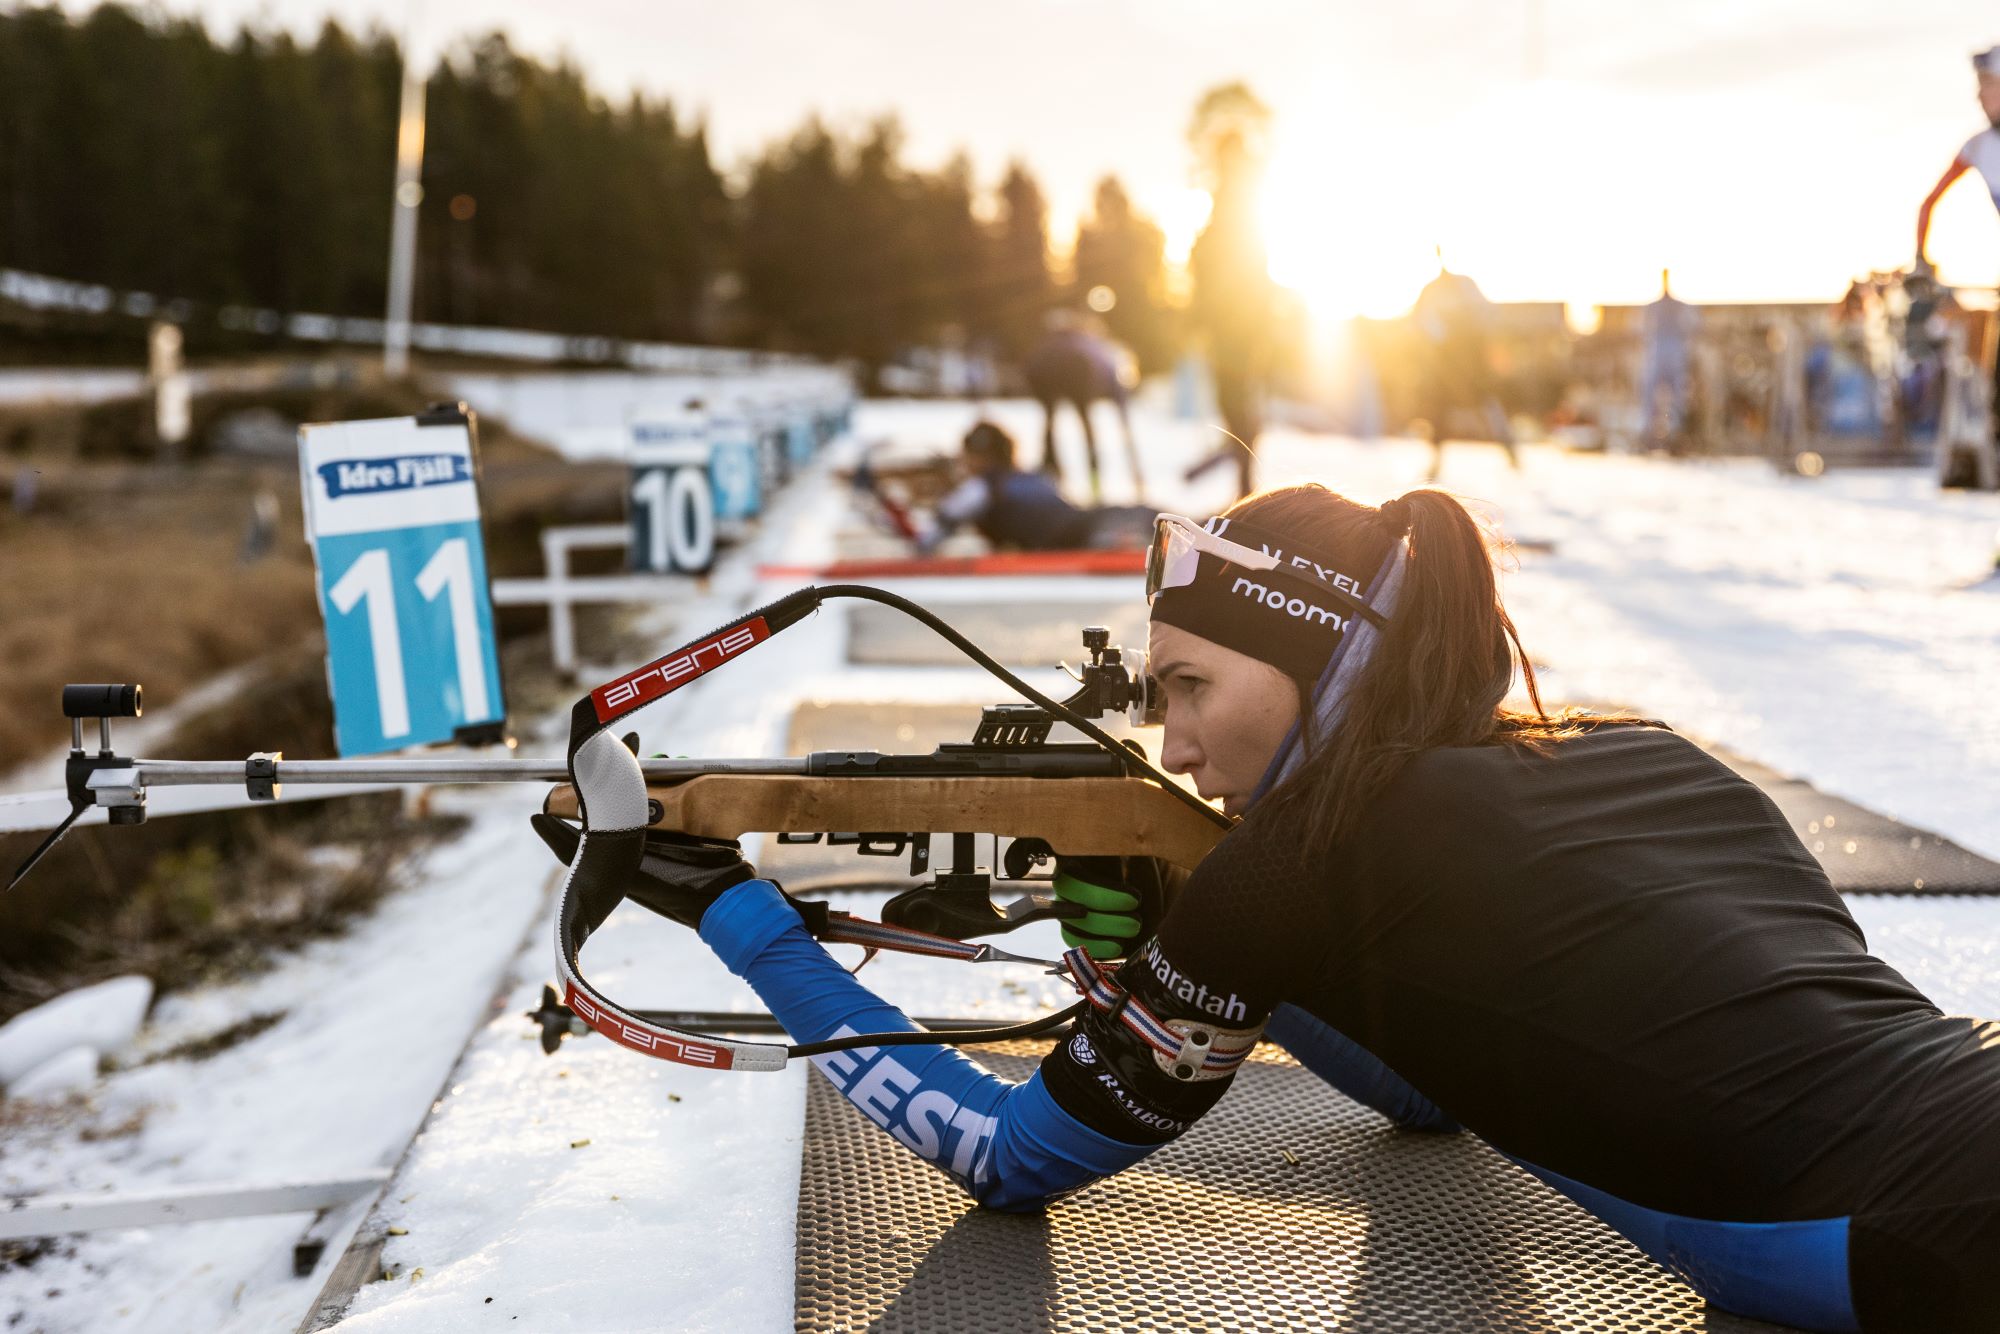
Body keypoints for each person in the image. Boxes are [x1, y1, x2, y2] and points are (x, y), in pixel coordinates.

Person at [562, 485, 2000, 1331]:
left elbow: (1005, 1157)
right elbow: (1438, 1080)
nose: (1173, 743)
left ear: (1330, 660)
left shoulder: (1313, 858)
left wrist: (741, 919)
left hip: (1935, 1225)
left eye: (1191, 685)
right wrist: (1157, 932)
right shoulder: (1643, 749)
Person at [1916, 45, 2000, 456]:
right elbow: (1928, 203)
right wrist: (1920, 258)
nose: (1979, 96)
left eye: (1987, 85)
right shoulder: (1978, 147)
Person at [915, 421, 1154, 554]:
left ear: (982, 456)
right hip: (1080, 527)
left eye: (968, 455)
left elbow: (938, 527)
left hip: (1070, 537)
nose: (963, 461)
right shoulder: (1029, 476)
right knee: (1141, 516)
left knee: (1133, 520)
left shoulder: (982, 487)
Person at [1410, 258, 1519, 481]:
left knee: (1487, 404)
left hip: (1470, 358)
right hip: (1446, 362)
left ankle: (1510, 452)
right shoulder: (1431, 290)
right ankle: (1436, 462)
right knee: (1439, 411)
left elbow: (1487, 313)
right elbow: (1420, 321)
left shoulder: (1465, 285)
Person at [1021, 313, 1142, 503]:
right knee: (1084, 425)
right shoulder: (1106, 358)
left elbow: (1031, 368)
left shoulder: (1058, 345)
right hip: (1071, 367)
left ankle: (1053, 480)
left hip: (1040, 367)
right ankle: (1093, 486)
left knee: (1050, 423)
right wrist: (1137, 473)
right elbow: (1123, 420)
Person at [1638, 268, 1701, 451]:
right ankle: (1652, 431)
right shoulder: (1656, 306)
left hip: (1671, 352)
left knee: (1676, 394)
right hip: (1662, 352)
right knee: (1653, 392)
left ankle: (1676, 431)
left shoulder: (1677, 305)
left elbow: (1693, 324)